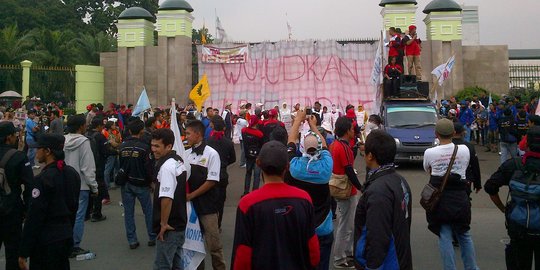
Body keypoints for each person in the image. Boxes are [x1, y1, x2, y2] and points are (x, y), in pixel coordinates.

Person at [231, 141, 321, 270]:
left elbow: (243, 253)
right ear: (287, 166)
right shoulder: (304, 199)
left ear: (258, 163)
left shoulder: (248, 203)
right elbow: (313, 249)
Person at [18, 134, 81, 270]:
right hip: (64, 235)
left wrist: (24, 251)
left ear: (47, 151)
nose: (36, 152)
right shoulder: (72, 174)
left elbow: (34, 216)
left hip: (45, 240)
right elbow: (74, 207)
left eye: (39, 148)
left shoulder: (42, 179)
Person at [423, 118, 479, 270]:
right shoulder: (465, 150)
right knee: (464, 234)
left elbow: (427, 169)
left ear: (436, 134)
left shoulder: (430, 152)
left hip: (440, 199)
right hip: (461, 197)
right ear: (454, 133)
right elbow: (466, 167)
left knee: (444, 235)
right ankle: (472, 267)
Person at [353, 130, 412, 270]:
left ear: (370, 156)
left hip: (386, 262)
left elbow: (377, 237)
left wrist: (372, 266)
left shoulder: (378, 191)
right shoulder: (399, 180)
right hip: (400, 256)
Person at [484, 126, 540, 270]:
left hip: (519, 227)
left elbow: (490, 187)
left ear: (526, 144)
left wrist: (504, 208)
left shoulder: (514, 164)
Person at [286, 109, 333, 270]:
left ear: (303, 149)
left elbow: (290, 141)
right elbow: (325, 145)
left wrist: (298, 121)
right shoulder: (326, 167)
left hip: (300, 226)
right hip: (323, 227)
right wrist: (314, 126)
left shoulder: (296, 167)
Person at [184, 120, 226, 270]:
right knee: (194, 246)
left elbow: (212, 181)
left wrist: (192, 195)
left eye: (188, 133)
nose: (186, 136)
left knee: (214, 246)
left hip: (207, 207)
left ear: (198, 134)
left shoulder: (211, 154)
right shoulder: (186, 154)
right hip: (190, 209)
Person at [150, 128, 188, 270]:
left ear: (169, 146)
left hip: (170, 227)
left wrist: (163, 224)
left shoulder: (166, 167)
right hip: (179, 224)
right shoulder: (178, 160)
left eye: (157, 146)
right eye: (152, 145)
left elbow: (167, 198)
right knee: (177, 264)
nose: (153, 149)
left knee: (162, 265)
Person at [330, 116, 363, 269]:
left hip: (339, 187)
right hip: (346, 190)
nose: (353, 131)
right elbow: (349, 170)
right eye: (351, 129)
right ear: (347, 131)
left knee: (347, 223)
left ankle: (347, 253)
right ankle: (339, 258)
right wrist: (361, 187)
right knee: (346, 226)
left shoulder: (335, 145)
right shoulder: (344, 148)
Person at [118, 119, 156, 249]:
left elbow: (120, 165)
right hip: (142, 183)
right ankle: (152, 236)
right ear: (142, 131)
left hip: (126, 183)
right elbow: (149, 168)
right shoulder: (145, 148)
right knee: (148, 211)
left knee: (129, 212)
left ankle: (132, 240)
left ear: (129, 131)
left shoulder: (122, 146)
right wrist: (152, 181)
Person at [63, 114, 98, 257]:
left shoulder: (62, 140)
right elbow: (87, 167)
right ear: (80, 126)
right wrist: (94, 187)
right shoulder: (84, 142)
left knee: (65, 215)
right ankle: (74, 245)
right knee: (78, 216)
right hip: (81, 184)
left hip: (64, 183)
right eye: (84, 124)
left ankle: (65, 243)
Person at [0, 122, 33, 270]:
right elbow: (29, 185)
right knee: (12, 250)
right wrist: (27, 208)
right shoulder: (18, 156)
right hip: (11, 209)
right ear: (8, 137)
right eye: (15, 135)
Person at [206, 116, 236, 229]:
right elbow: (233, 159)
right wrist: (223, 164)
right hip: (222, 174)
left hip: (209, 174)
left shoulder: (208, 141)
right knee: (220, 202)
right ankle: (218, 224)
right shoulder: (228, 143)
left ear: (213, 126)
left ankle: (209, 224)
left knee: (209, 200)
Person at [85, 117, 109, 222]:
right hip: (98, 166)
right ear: (99, 126)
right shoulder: (100, 136)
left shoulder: (86, 135)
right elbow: (106, 151)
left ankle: (87, 211)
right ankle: (96, 213)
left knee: (88, 188)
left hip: (86, 165)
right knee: (97, 189)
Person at [452, 123, 482, 195]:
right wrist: (477, 184)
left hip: (448, 179)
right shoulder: (469, 146)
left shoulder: (445, 146)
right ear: (462, 132)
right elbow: (475, 165)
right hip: (466, 179)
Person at [241, 116, 264, 196]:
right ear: (257, 122)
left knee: (248, 173)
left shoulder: (243, 131)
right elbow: (261, 145)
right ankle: (255, 193)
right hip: (257, 155)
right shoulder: (259, 134)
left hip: (248, 155)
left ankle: (246, 191)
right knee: (256, 175)